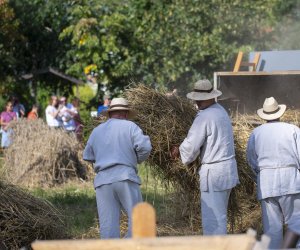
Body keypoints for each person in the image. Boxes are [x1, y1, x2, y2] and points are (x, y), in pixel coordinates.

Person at [170, 79, 239, 235]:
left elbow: (192, 144)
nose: (196, 102)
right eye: (196, 98)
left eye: (199, 99)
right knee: (220, 218)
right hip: (227, 171)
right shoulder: (221, 111)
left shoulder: (205, 116)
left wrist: (178, 152)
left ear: (211, 97)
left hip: (214, 174)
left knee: (213, 222)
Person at [83, 97, 152, 239]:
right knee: (138, 219)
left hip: (103, 180)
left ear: (109, 114)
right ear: (125, 113)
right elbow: (145, 147)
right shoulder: (130, 126)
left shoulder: (96, 131)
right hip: (125, 176)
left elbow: (88, 156)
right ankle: (129, 246)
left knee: (107, 225)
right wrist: (136, 159)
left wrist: (103, 157)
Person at [246, 97, 300, 249]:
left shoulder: (256, 133)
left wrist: (259, 175)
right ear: (280, 113)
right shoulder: (292, 129)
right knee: (296, 226)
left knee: (272, 230)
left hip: (267, 182)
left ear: (264, 115)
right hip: (291, 180)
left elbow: (251, 159)